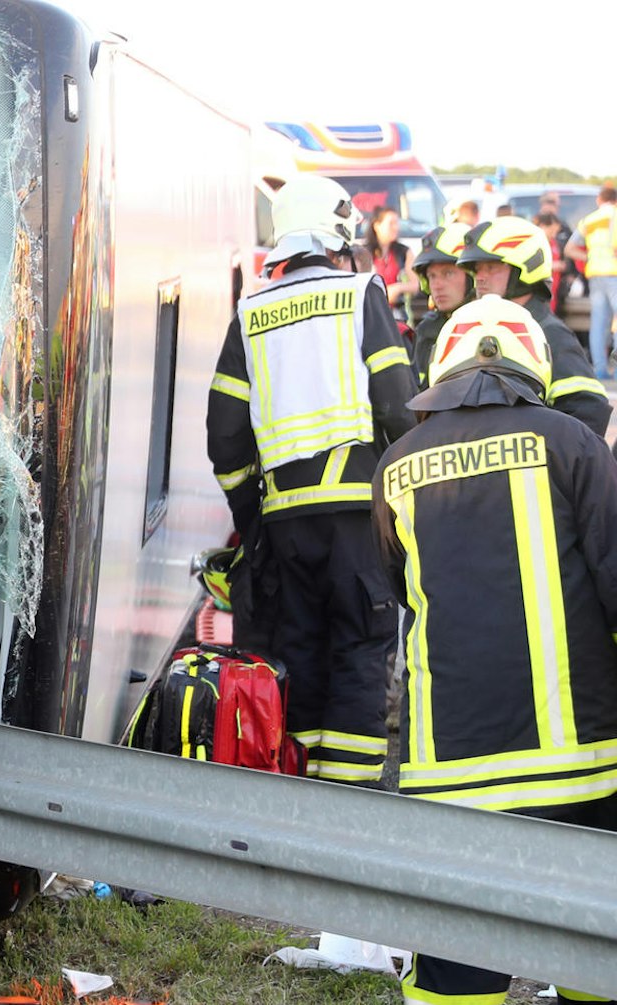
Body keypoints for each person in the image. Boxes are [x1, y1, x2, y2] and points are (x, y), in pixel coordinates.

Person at [372, 295, 617, 1005]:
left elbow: (404, 591)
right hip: (585, 769)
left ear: (440, 369)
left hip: (453, 776)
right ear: (533, 366)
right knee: (593, 946)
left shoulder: (395, 468)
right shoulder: (574, 444)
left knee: (456, 969)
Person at [207, 175, 417, 785]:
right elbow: (400, 408)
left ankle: (294, 790)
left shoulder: (249, 312)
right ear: (337, 236)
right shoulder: (361, 294)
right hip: (358, 517)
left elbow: (223, 436)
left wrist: (254, 517)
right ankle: (344, 808)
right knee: (360, 646)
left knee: (295, 652)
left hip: (285, 527)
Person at [459, 214, 614, 410]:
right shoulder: (480, 329)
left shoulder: (549, 334)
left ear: (525, 269)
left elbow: (591, 409)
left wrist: (543, 439)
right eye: (477, 269)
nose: (479, 278)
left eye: (491, 268)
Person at [566, 185, 617, 382]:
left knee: (599, 323)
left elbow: (570, 248)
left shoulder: (590, 219)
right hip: (614, 272)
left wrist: (591, 258)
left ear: (599, 200)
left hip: (596, 274)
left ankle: (600, 370)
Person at [410, 223, 472, 381]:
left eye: (448, 273)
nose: (437, 285)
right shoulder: (426, 330)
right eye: (432, 276)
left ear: (471, 276)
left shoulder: (492, 326)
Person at [363, 206, 417, 335]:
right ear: (377, 225)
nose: (396, 228)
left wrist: (397, 288)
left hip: (399, 316)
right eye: (391, 223)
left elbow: (415, 285)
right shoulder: (365, 253)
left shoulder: (404, 252)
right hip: (372, 315)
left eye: (397, 223)